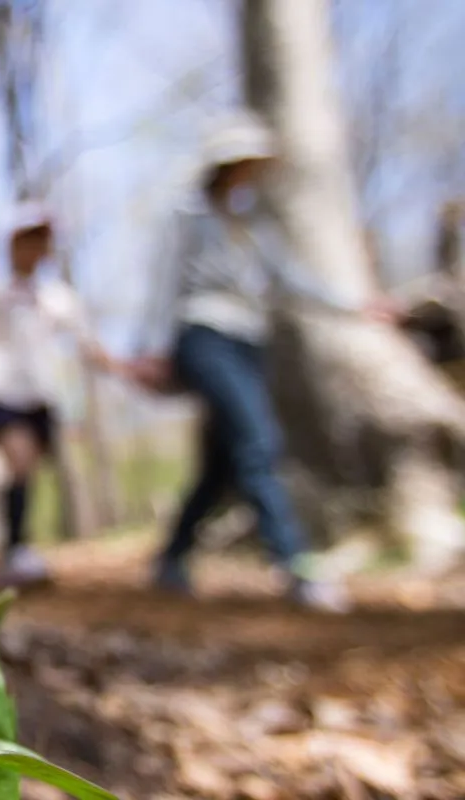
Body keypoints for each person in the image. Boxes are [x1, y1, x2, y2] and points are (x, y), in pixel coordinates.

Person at [128, 109, 396, 612]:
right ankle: (296, 565)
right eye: (244, 161)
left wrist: (355, 306)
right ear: (225, 163)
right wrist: (154, 348)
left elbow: (293, 279)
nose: (251, 171)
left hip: (250, 341)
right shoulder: (189, 217)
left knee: (224, 464)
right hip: (203, 333)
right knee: (259, 441)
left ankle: (171, 556)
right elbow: (165, 283)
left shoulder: (252, 229)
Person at [0, 200, 119, 588]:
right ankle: (15, 549)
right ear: (10, 244)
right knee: (19, 456)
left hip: (38, 397)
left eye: (42, 240)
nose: (34, 248)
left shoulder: (58, 298)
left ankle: (8, 544)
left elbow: (89, 346)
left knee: (21, 470)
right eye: (27, 238)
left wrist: (131, 369)